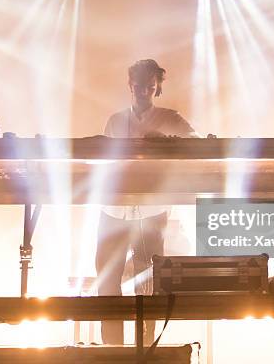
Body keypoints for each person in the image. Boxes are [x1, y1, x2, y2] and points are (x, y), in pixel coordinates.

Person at [96, 59, 197, 345]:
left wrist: (165, 139)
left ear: (157, 88)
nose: (144, 91)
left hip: (152, 208)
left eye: (150, 86)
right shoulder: (115, 120)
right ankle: (112, 351)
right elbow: (101, 158)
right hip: (114, 208)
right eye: (139, 86)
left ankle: (146, 351)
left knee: (148, 281)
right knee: (107, 280)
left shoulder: (169, 117)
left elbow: (197, 140)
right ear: (131, 86)